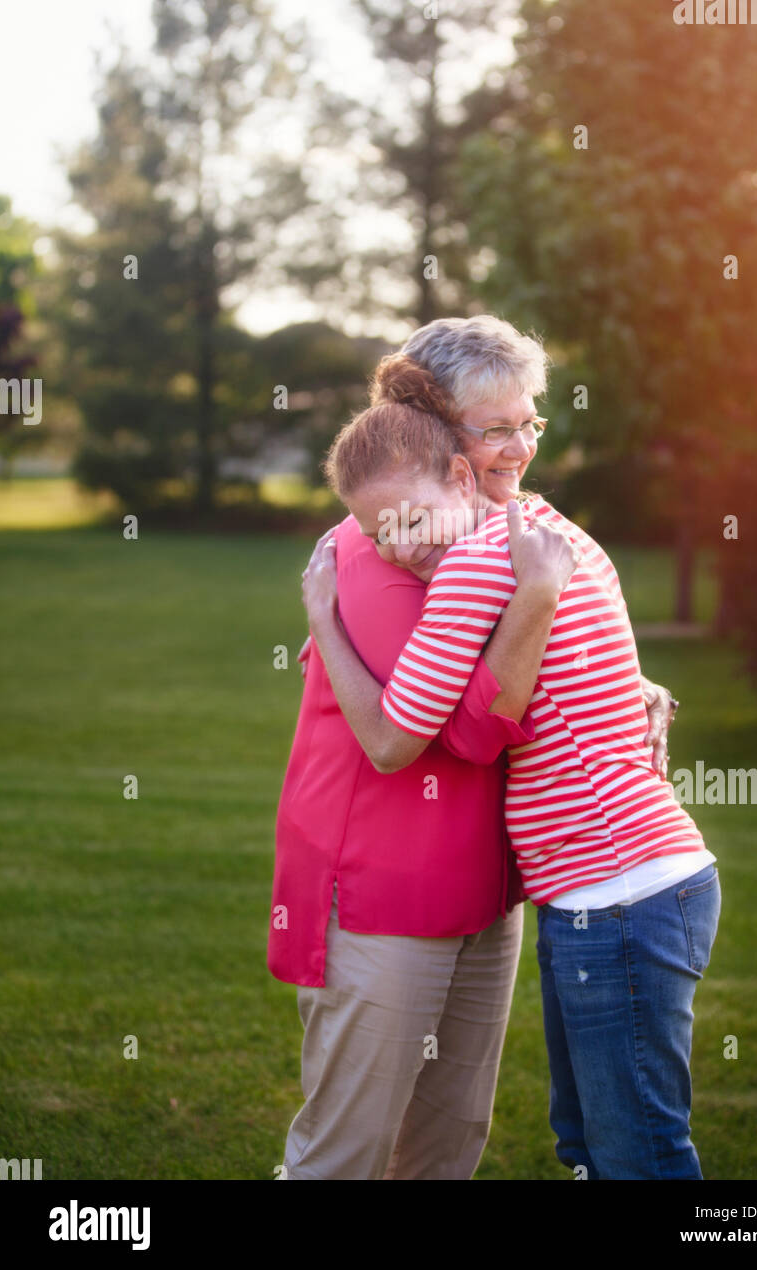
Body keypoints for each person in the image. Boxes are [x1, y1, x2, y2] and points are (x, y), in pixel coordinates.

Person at [303, 339, 721, 1180]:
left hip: (615, 887)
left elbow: (400, 739)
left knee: (634, 1155)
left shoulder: (481, 558)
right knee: (597, 1147)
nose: (524, 447)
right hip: (615, 887)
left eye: (528, 424)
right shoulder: (548, 534)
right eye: (498, 428)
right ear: (440, 439)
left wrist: (321, 616)